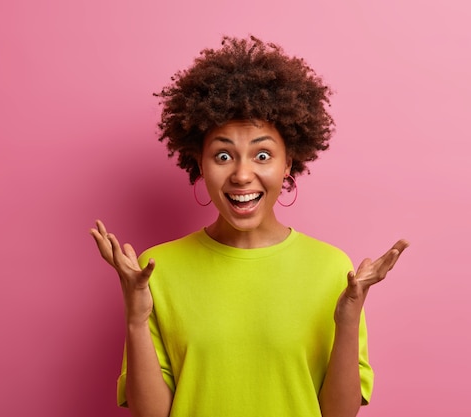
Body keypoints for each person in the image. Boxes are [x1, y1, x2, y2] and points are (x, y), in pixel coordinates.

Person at [90, 35, 409, 417]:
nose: (243, 175)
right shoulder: (157, 270)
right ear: (200, 163)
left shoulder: (331, 270)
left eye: (262, 154)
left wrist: (348, 318)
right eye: (223, 155)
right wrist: (136, 319)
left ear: (288, 162)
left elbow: (338, 415)